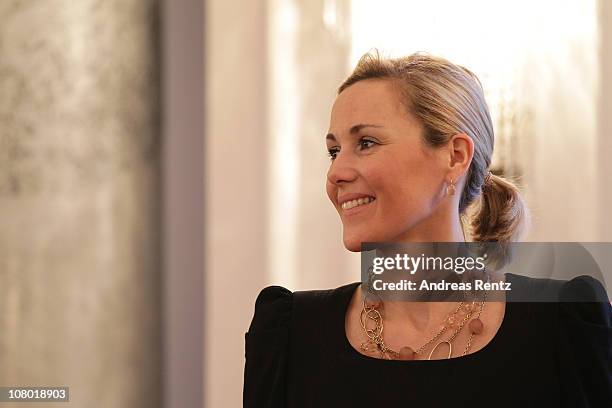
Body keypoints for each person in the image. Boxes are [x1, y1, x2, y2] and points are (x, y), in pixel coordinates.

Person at [243, 52, 612, 407]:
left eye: (366, 143)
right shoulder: (290, 335)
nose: (336, 172)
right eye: (334, 150)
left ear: (454, 156)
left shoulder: (563, 324)